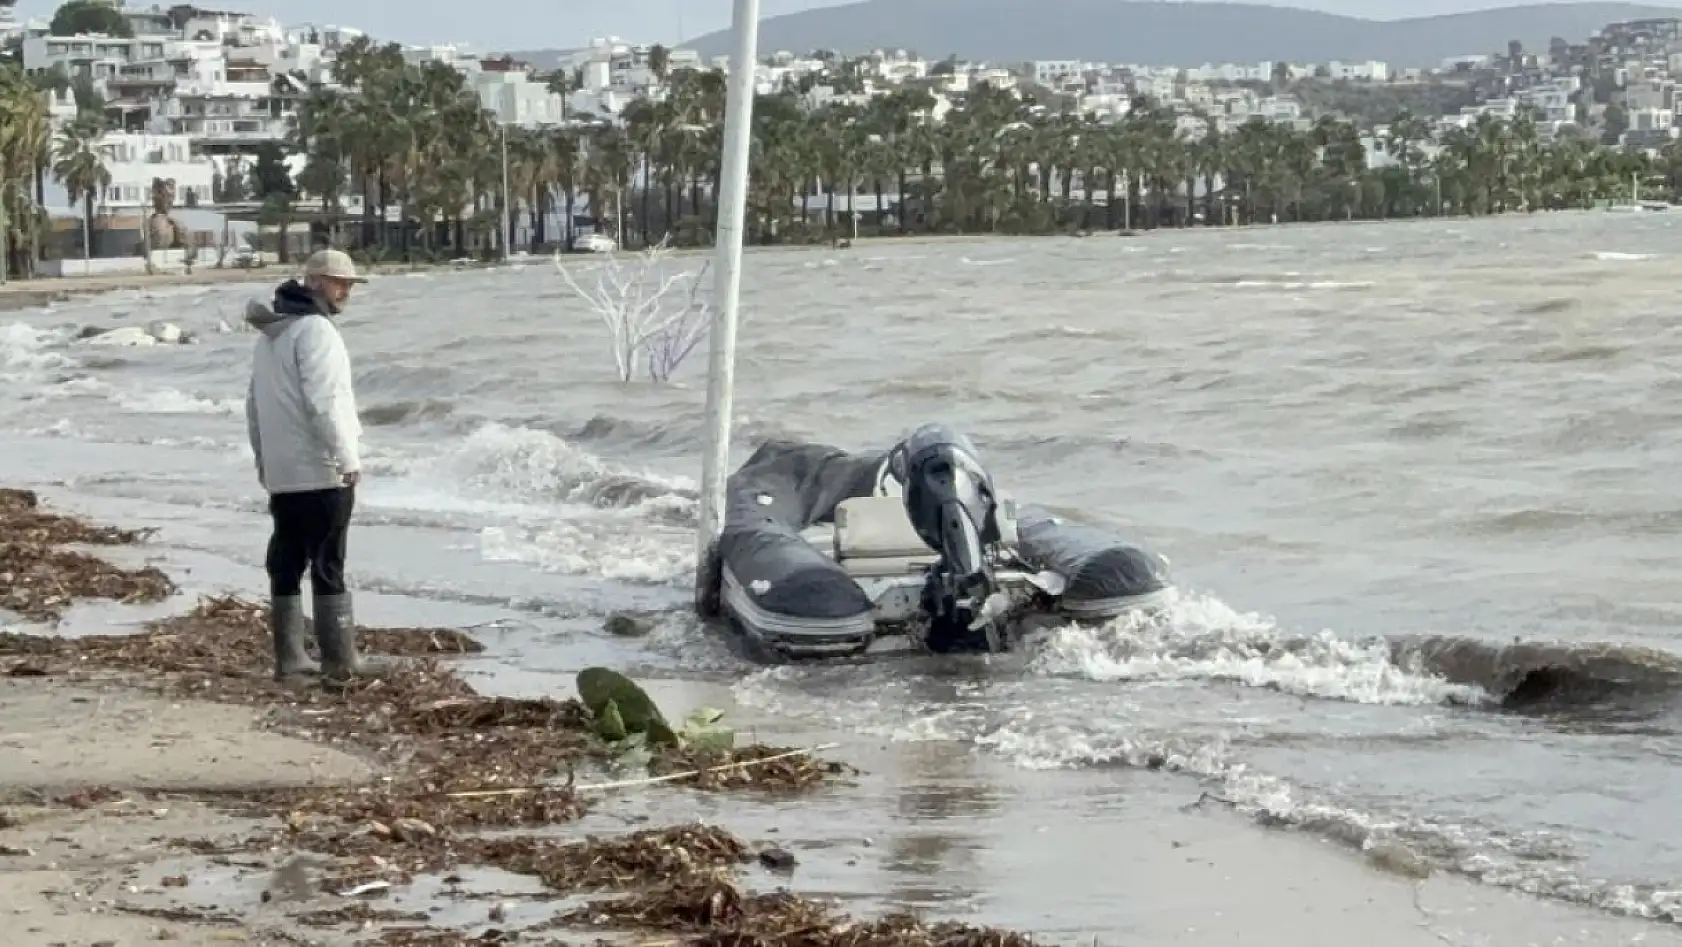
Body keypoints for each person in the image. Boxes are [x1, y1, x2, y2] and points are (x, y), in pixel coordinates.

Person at [244, 248, 382, 682]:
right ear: (318, 283)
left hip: (284, 473)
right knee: (328, 561)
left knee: (286, 560)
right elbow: (327, 404)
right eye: (341, 284)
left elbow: (253, 406)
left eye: (349, 285)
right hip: (320, 469)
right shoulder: (318, 332)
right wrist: (347, 458)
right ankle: (340, 659)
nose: (346, 293)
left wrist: (265, 463)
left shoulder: (271, 334)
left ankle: (289, 660)